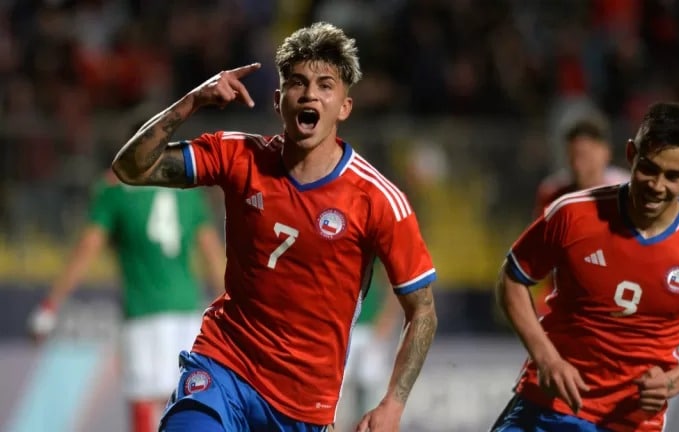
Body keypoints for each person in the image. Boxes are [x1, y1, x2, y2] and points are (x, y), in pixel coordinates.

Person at [111, 22, 438, 432]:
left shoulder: (378, 200)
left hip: (303, 405)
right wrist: (193, 101)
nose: (310, 94)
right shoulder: (237, 156)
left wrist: (393, 402)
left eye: (325, 85)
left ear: (344, 107)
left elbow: (422, 309)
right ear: (278, 100)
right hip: (223, 366)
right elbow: (131, 169)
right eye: (297, 83)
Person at [491, 102, 679, 432]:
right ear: (631, 154)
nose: (657, 185)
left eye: (673, 176)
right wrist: (546, 357)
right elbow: (512, 278)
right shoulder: (572, 214)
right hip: (547, 406)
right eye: (648, 168)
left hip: (630, 423)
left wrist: (672, 382)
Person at [27, 169, 226, 432]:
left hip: (143, 313)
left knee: (144, 405)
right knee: (187, 405)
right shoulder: (187, 188)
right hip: (188, 316)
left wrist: (50, 305)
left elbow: (87, 248)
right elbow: (213, 255)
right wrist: (231, 309)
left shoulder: (116, 189)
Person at [531, 117, 630, 315]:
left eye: (585, 156)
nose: (578, 165)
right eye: (573, 157)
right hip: (566, 290)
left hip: (618, 288)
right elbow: (540, 249)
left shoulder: (627, 192)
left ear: (605, 152)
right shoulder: (552, 193)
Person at [338, 266, 403, 430]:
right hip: (343, 329)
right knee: (336, 396)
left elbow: (393, 284)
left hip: (370, 330)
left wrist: (387, 319)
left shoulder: (376, 255)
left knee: (369, 394)